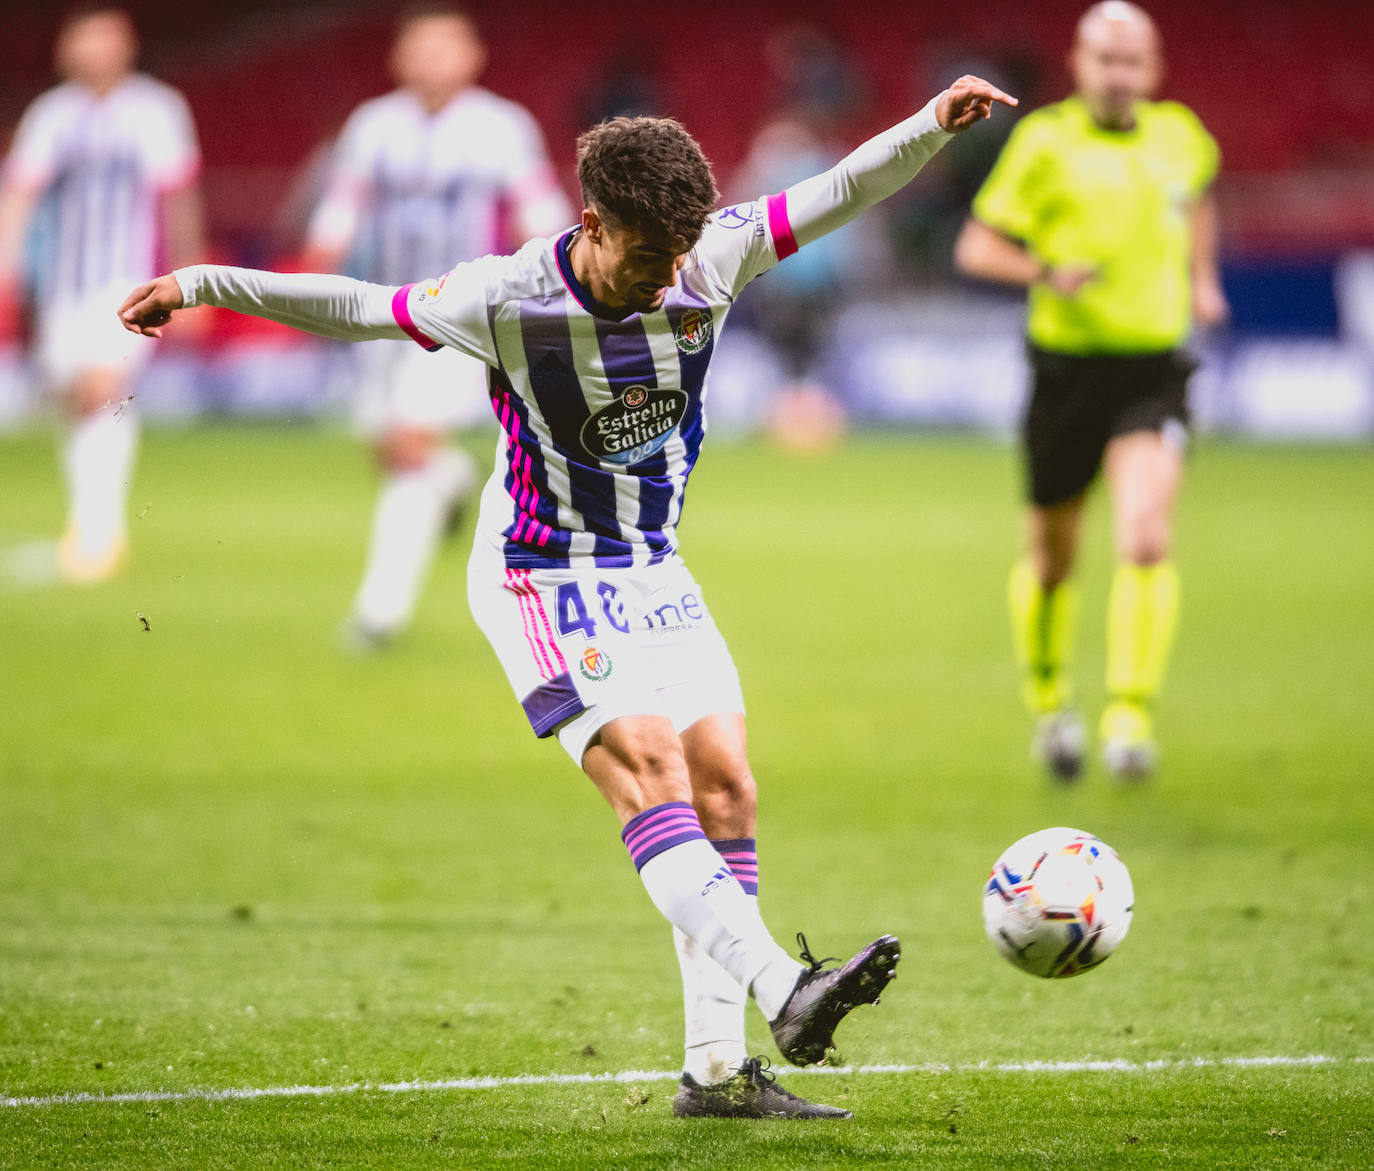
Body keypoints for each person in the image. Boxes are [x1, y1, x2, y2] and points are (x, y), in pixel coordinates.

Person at [119, 74, 1016, 1120]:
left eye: (682, 253)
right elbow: (363, 307)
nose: (670, 274)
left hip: (652, 566)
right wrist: (201, 281)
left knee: (726, 782)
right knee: (652, 767)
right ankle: (787, 987)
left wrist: (928, 125)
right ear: (594, 222)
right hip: (540, 574)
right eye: (649, 253)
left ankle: (718, 1074)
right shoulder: (503, 297)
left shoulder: (706, 258)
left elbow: (838, 190)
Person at [953, 1, 1226, 781]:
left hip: (1153, 369)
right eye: (1104, 59)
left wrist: (1202, 280)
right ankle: (1052, 707)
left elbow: (1199, 197)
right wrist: (1044, 272)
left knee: (1145, 535)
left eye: (1131, 60)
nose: (1117, 73)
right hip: (1065, 371)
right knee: (1051, 559)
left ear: (1153, 68)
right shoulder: (1044, 142)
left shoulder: (1182, 136)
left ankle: (1130, 720)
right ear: (1078, 64)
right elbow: (977, 245)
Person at [300, 4, 572, 648]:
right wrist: (317, 265)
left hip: (459, 312)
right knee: (392, 451)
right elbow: (342, 204)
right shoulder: (373, 126)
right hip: (379, 312)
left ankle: (378, 616)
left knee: (407, 449)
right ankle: (454, 481)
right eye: (419, 47)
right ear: (398, 58)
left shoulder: (502, 127)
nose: (430, 60)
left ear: (472, 57)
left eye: (444, 47)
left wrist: (558, 281)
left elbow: (539, 210)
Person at [0, 5, 202, 583]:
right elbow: (20, 195)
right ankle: (88, 530)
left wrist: (191, 279)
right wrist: (9, 273)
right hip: (63, 286)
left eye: (104, 37)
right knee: (76, 401)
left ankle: (99, 536)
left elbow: (178, 195)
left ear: (127, 45)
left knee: (101, 388)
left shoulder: (156, 110)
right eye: (82, 37)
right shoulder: (52, 115)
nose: (92, 49)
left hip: (128, 281)